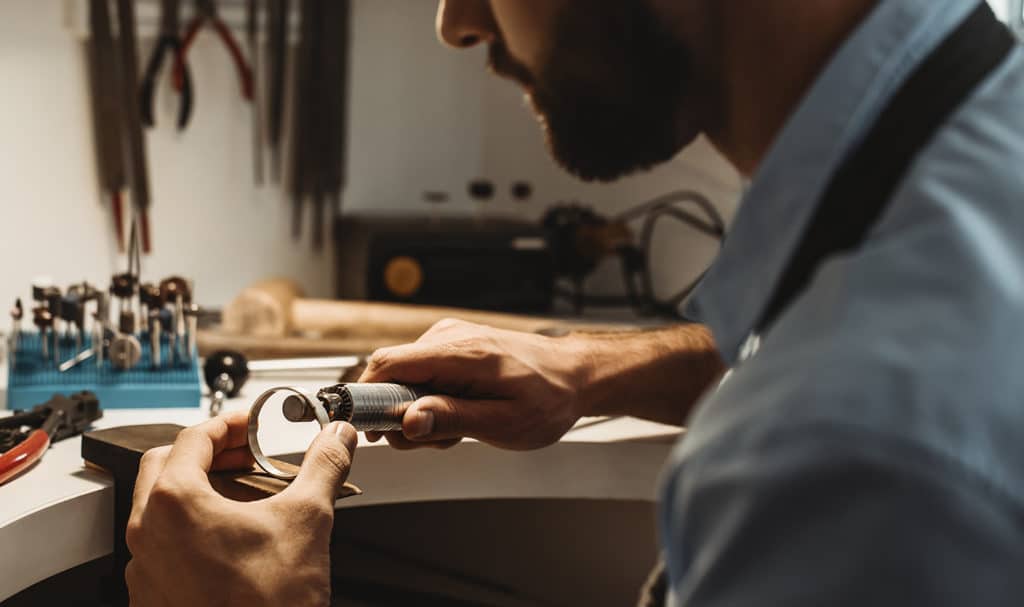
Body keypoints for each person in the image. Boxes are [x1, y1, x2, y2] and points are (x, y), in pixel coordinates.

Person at [126, 0, 1024, 605]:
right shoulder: (979, 146)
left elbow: (844, 396)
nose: (455, 21)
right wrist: (592, 369)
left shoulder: (849, 453)